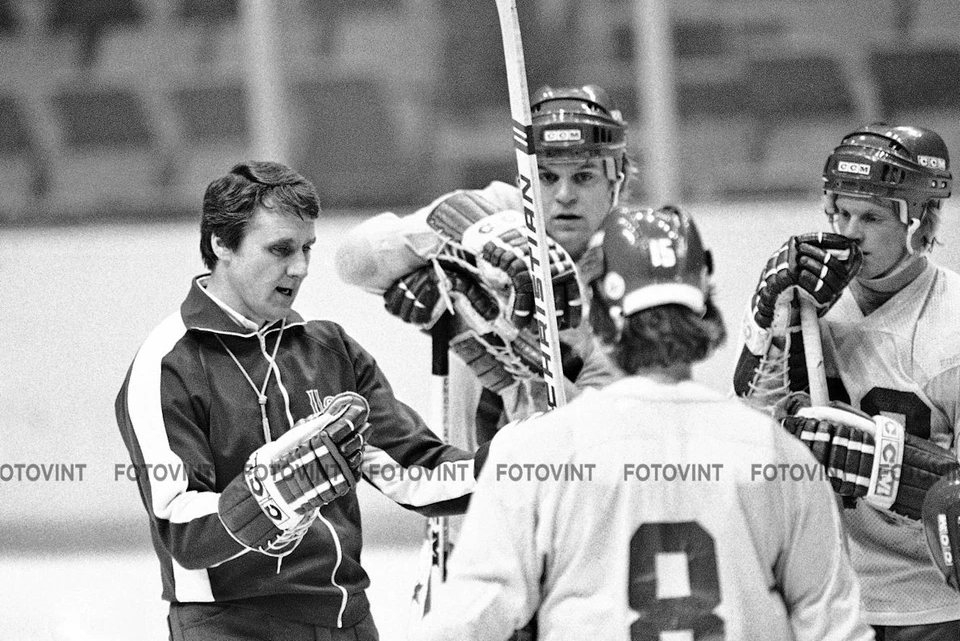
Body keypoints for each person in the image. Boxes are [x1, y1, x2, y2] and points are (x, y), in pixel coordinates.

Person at [418, 203, 874, 641]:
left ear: (598, 307)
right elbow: (834, 625)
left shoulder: (538, 451)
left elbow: (471, 616)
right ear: (703, 301)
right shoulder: (777, 454)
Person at [115, 161, 487, 641]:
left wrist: (521, 466)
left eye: (307, 247)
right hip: (231, 627)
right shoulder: (169, 366)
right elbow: (181, 533)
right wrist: (267, 496)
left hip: (346, 619)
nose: (301, 267)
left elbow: (417, 471)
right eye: (280, 249)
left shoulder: (328, 348)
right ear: (220, 244)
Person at [733, 123, 960, 639]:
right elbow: (747, 435)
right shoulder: (807, 304)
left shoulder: (955, 323)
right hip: (828, 599)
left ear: (921, 222)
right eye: (840, 212)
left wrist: (877, 464)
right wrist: (766, 318)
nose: (849, 232)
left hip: (932, 609)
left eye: (872, 217)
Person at [334, 84, 632, 453]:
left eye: (584, 176)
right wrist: (460, 230)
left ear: (615, 181)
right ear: (525, 178)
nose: (565, 195)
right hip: (467, 492)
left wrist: (513, 363)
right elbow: (352, 261)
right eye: (547, 177)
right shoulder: (494, 209)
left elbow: (610, 440)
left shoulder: (638, 265)